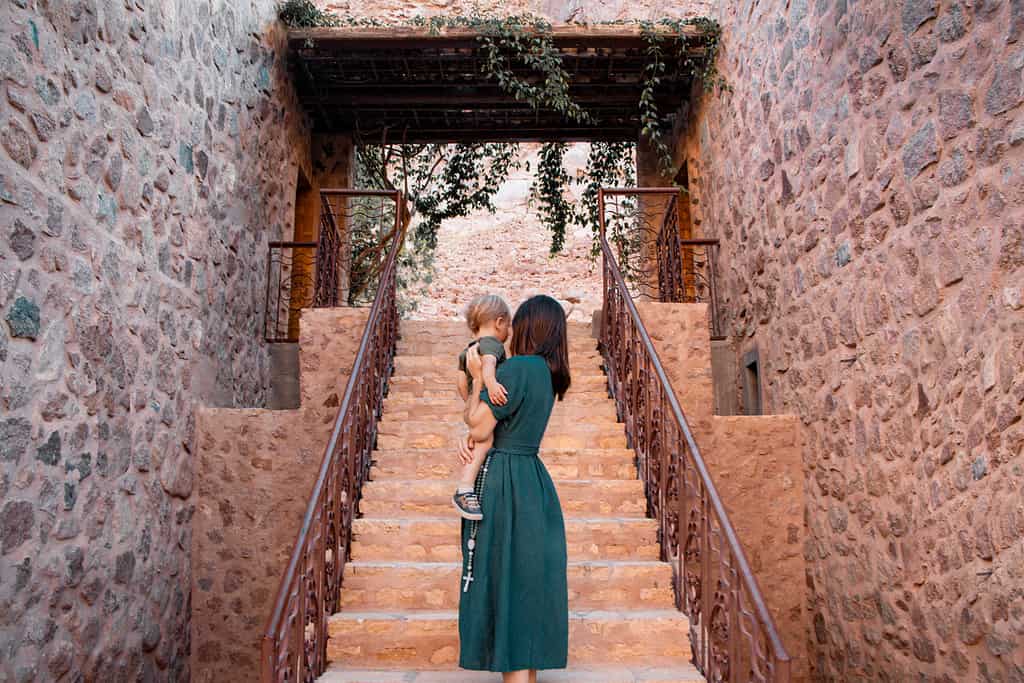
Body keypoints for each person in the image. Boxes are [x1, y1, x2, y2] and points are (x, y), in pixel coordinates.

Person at [456, 294, 572, 683]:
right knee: (525, 590)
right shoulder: (546, 373)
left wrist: (475, 381)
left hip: (504, 482)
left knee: (504, 585)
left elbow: (479, 427)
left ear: (526, 327)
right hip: (532, 483)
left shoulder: (518, 369)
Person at [453, 295, 511, 520]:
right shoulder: (492, 345)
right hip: (485, 403)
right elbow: (488, 365)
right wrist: (493, 384)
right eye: (508, 324)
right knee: (485, 440)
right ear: (498, 322)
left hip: (472, 403)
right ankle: (465, 488)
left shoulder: (467, 350)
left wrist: (470, 403)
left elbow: (460, 382)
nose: (509, 330)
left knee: (478, 440)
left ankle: (467, 486)